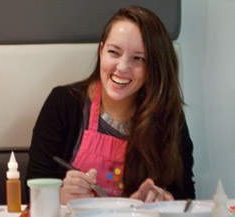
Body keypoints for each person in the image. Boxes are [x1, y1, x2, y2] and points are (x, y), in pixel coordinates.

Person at [26, 6, 194, 204]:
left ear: (154, 68)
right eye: (114, 52)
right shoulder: (63, 104)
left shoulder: (169, 116)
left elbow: (187, 199)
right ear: (101, 51)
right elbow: (29, 195)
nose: (122, 68)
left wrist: (164, 200)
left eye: (138, 58)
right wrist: (60, 197)